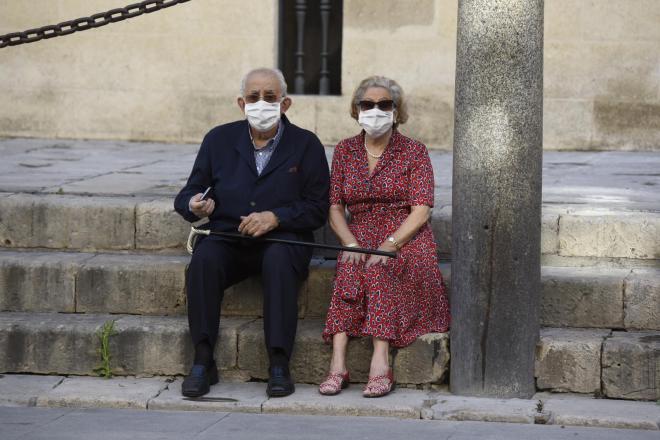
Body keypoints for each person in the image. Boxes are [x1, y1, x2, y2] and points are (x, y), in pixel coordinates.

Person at [174, 67, 330, 398]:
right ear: (241, 103)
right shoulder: (218, 139)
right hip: (229, 237)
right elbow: (188, 194)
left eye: (270, 97)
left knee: (277, 260)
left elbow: (318, 207)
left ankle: (278, 362)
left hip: (282, 239)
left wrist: (276, 217)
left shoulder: (307, 144)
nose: (261, 103)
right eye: (254, 97)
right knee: (203, 260)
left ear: (285, 103)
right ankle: (203, 360)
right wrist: (196, 204)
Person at [320, 76, 450, 398]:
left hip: (405, 233)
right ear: (357, 109)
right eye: (368, 104)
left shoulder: (414, 151)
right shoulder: (345, 151)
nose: (375, 110)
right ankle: (338, 363)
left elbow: (421, 210)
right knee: (349, 264)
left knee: (379, 267)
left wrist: (389, 245)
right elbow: (335, 207)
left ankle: (381, 360)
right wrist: (350, 243)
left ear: (396, 110)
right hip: (360, 228)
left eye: (384, 105)